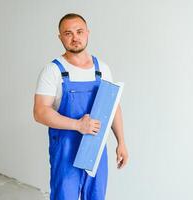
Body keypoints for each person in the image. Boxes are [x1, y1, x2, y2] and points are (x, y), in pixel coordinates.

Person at [33, 13, 128, 200]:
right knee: (64, 196)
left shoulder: (102, 69)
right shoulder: (53, 71)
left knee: (96, 195)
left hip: (96, 147)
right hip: (65, 149)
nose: (75, 37)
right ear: (60, 37)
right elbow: (40, 111)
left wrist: (121, 142)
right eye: (68, 33)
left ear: (88, 33)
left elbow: (113, 107)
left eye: (79, 31)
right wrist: (78, 125)